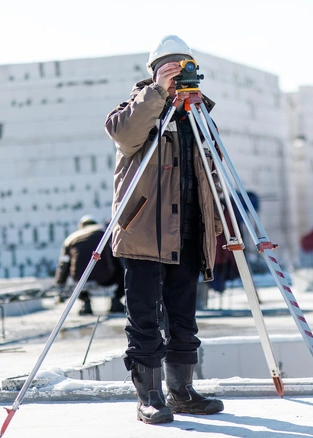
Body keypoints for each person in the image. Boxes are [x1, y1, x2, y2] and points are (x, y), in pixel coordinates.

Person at [104, 35, 224, 424]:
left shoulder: (197, 114)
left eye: (183, 67)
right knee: (144, 318)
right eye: (169, 67)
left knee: (184, 317)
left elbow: (215, 165)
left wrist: (195, 105)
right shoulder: (137, 108)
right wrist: (157, 93)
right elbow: (124, 136)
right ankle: (150, 397)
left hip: (189, 232)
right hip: (144, 233)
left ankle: (182, 391)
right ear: (154, 71)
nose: (177, 75)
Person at [54, 214, 125, 315]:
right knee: (122, 270)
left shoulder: (71, 238)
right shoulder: (104, 232)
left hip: (81, 278)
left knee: (76, 268)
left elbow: (63, 265)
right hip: (106, 275)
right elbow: (117, 255)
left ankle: (85, 302)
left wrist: (60, 285)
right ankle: (116, 300)